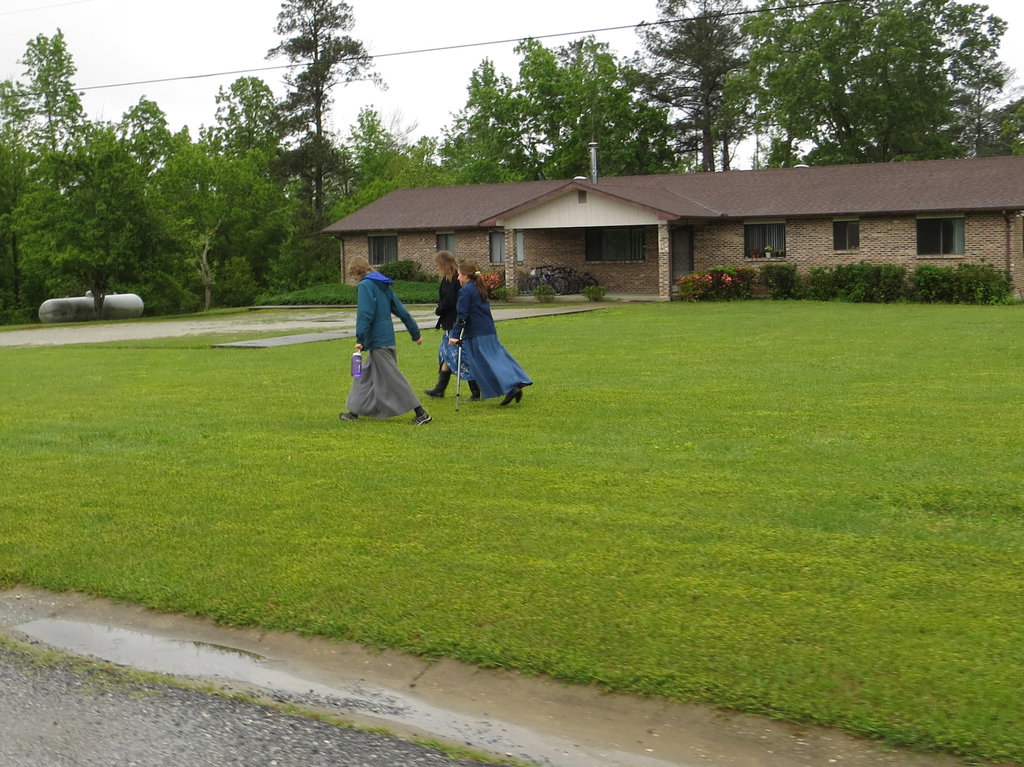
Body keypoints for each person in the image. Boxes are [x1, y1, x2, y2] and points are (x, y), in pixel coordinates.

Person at [340, 256, 432, 425]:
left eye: (352, 275)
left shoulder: (365, 286)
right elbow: (401, 310)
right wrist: (415, 333)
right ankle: (354, 412)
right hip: (386, 338)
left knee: (393, 379)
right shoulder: (383, 285)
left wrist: (361, 338)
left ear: (355, 272)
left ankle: (421, 413)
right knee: (364, 376)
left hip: (378, 341)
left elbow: (365, 314)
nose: (353, 278)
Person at [448, 261, 532, 406]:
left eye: (460, 275)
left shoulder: (466, 291)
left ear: (466, 276)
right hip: (488, 330)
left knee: (485, 363)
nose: (458, 278)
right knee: (498, 358)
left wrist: (455, 335)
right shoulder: (479, 287)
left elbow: (462, 315)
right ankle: (513, 383)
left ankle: (512, 385)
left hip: (476, 332)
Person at [423, 250, 479, 400]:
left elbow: (449, 300)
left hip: (454, 321)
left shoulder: (453, 278)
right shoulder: (451, 278)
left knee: (459, 355)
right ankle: (439, 389)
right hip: (450, 321)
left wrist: (439, 309)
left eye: (438, 264)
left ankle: (476, 390)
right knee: (445, 353)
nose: (437, 267)